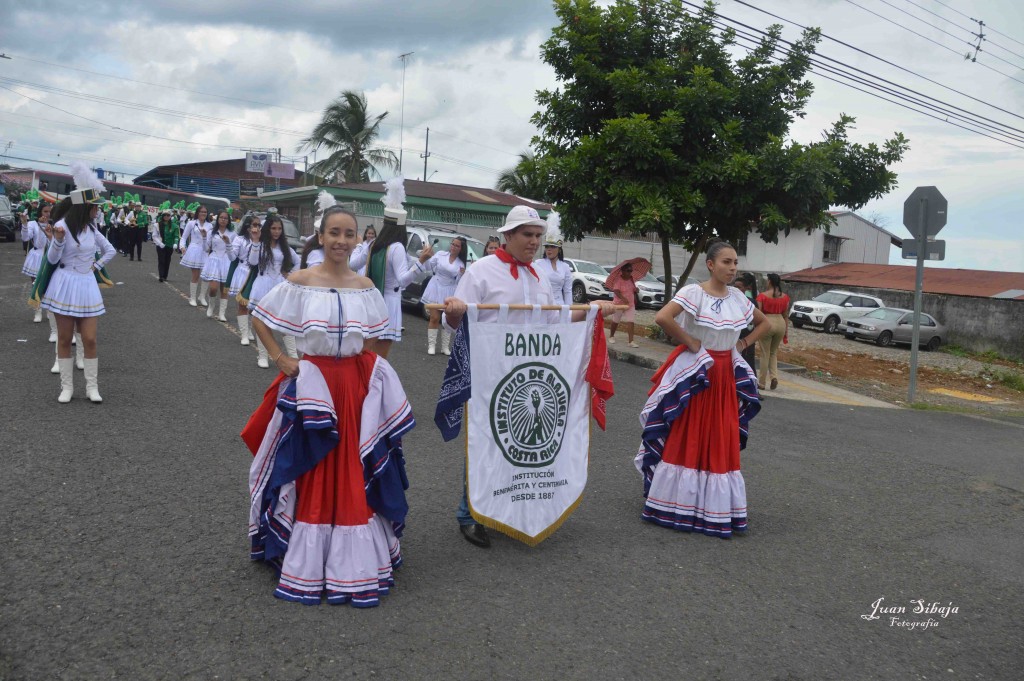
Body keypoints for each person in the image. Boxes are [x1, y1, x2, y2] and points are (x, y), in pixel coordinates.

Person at [242, 206, 414, 607]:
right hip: (313, 385)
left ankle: (351, 561)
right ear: (320, 237)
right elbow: (259, 316)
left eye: (349, 233)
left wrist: (367, 375)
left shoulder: (365, 286)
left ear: (357, 240)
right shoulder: (301, 281)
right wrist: (282, 360)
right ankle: (307, 556)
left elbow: (375, 338)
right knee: (313, 464)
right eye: (334, 232)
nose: (341, 240)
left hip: (353, 391)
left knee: (353, 466)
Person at [440, 205, 616, 548]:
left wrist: (591, 312)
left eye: (538, 235)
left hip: (529, 373)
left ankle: (508, 506)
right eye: (527, 235)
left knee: (518, 446)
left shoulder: (539, 276)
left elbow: (553, 323)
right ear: (508, 236)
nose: (534, 242)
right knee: (485, 439)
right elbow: (454, 325)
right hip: (490, 374)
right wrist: (455, 311)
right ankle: (468, 514)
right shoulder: (480, 272)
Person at [635, 240, 770, 538]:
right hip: (698, 371)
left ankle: (709, 506)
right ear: (710, 264)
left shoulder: (738, 297)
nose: (732, 268)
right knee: (690, 433)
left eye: (735, 263)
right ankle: (678, 504)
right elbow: (662, 317)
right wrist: (690, 341)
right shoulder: (693, 293)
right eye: (726, 262)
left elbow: (765, 324)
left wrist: (742, 343)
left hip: (724, 375)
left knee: (719, 435)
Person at [38, 182, 115, 404]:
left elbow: (110, 250)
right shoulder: (61, 226)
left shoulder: (92, 229)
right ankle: (67, 388)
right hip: (64, 284)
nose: (98, 210)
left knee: (90, 339)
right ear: (85, 207)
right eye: (95, 206)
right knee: (64, 338)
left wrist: (96, 266)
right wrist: (58, 241)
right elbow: (52, 259)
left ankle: (92, 387)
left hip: (87, 285)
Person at [349, 216, 432, 360]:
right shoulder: (397, 247)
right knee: (378, 359)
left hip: (371, 302)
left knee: (366, 354)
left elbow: (352, 264)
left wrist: (358, 246)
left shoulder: (373, 244)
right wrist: (421, 261)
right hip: (388, 304)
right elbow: (403, 281)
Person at [247, 214, 299, 368]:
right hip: (263, 284)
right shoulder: (260, 245)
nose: (277, 231)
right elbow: (252, 262)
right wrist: (255, 241)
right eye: (273, 228)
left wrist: (290, 275)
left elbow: (298, 262)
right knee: (262, 322)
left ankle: (294, 356)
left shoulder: (285, 247)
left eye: (279, 229)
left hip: (280, 286)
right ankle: (262, 356)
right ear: (267, 229)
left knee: (285, 321)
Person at [421, 236, 466, 355]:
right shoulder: (440, 254)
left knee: (447, 320)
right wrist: (426, 256)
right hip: (435, 287)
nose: (453, 247)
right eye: (453, 244)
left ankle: (445, 347)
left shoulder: (461, 263)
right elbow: (428, 266)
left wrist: (461, 274)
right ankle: (431, 345)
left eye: (457, 246)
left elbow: (458, 282)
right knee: (434, 318)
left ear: (461, 249)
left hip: (449, 290)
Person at [228, 215, 262, 345]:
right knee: (243, 305)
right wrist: (228, 246)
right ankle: (244, 334)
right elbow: (232, 257)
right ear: (248, 226)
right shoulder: (240, 239)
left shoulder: (262, 240)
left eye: (259, 225)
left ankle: (249, 330)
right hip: (242, 272)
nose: (257, 227)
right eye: (255, 225)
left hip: (256, 274)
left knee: (254, 306)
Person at [756, 273, 790, 391]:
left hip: (767, 321)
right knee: (773, 352)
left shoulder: (762, 296)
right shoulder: (785, 297)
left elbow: (758, 313)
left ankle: (761, 383)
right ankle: (774, 377)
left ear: (769, 281)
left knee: (765, 353)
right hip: (780, 322)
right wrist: (786, 330)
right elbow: (785, 315)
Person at [200, 209, 235, 321]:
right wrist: (204, 237)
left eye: (225, 218)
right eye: (221, 217)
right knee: (213, 288)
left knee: (224, 289)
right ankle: (211, 305)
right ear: (217, 219)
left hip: (226, 260)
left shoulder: (232, 234)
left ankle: (222, 313)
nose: (223, 220)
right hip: (214, 260)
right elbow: (206, 249)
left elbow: (233, 253)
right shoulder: (212, 232)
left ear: (228, 220)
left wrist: (228, 243)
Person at [21, 203, 52, 323]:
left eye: (49, 211)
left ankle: (49, 311)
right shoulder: (33, 224)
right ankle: (37, 311)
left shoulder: (53, 224)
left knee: (49, 286)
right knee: (35, 284)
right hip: (37, 256)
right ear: (40, 212)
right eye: (45, 211)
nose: (47, 214)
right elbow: (26, 238)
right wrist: (24, 224)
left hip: (50, 257)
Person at [180, 205, 212, 306]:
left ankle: (202, 296)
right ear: (197, 213)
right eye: (201, 211)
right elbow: (184, 237)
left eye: (205, 212)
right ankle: (192, 298)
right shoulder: (192, 223)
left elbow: (210, 240)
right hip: (194, 250)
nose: (203, 213)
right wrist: (182, 247)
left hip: (205, 250)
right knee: (196, 274)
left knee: (206, 275)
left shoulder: (209, 225)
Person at [606, 261, 640, 347]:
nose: (630, 272)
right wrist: (623, 298)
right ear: (623, 271)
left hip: (630, 304)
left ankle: (631, 341)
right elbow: (616, 291)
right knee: (615, 321)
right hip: (619, 304)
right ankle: (611, 336)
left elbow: (633, 289)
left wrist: (636, 290)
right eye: (628, 270)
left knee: (631, 321)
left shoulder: (631, 279)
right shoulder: (618, 280)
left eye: (631, 271)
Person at [535, 234, 572, 306]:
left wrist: (568, 309)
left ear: (559, 249)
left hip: (559, 305)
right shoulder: (538, 264)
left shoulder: (565, 267)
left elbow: (568, 291)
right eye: (547, 247)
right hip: (543, 304)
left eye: (553, 247)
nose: (549, 249)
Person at [735, 272, 759, 372]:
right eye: (735, 286)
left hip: (746, 335)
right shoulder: (729, 300)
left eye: (739, 287)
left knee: (748, 360)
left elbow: (759, 322)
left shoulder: (751, 302)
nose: (736, 289)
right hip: (734, 335)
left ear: (745, 288)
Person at [151, 209, 180, 283]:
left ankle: (165, 276)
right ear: (162, 216)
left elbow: (176, 236)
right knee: (161, 260)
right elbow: (154, 236)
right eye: (165, 215)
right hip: (160, 245)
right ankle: (161, 276)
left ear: (170, 216)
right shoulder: (157, 225)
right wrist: (159, 243)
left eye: (168, 215)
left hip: (169, 245)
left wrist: (175, 243)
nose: (166, 216)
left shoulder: (174, 226)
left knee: (167, 260)